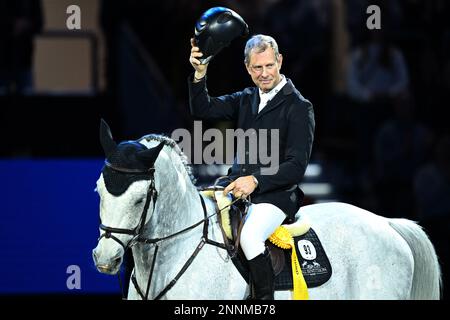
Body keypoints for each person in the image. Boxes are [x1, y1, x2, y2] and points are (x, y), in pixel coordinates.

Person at [188, 34, 315, 299]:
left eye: (270, 65)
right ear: (248, 68)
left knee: (249, 236)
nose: (265, 73)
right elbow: (204, 109)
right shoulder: (246, 98)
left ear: (280, 61)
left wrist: (256, 180)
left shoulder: (299, 107)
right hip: (235, 186)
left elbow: (296, 166)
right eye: (258, 68)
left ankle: (264, 303)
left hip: (276, 194)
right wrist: (200, 75)